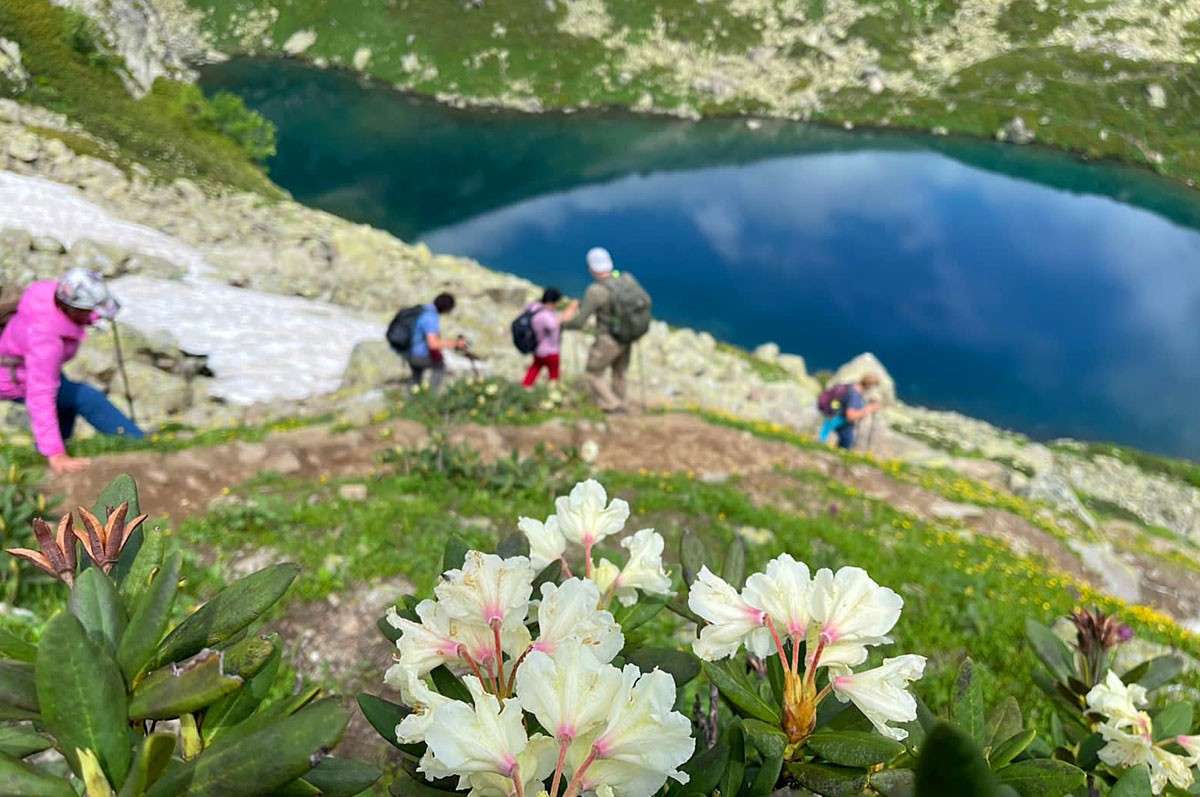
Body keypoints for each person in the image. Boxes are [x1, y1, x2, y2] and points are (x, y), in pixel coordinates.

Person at [0, 269, 143, 474]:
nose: (91, 314)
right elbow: (40, 395)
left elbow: (77, 313)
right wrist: (54, 452)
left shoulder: (51, 299)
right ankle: (136, 442)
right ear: (72, 308)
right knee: (85, 397)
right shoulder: (45, 342)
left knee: (65, 404)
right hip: (13, 378)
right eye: (88, 310)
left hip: (20, 365)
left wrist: (92, 315)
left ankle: (42, 456)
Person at [562, 247, 649, 414]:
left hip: (608, 338)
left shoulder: (595, 291)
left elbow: (580, 322)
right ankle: (622, 402)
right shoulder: (626, 278)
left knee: (593, 373)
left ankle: (613, 405)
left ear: (591, 268)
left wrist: (562, 325)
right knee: (620, 372)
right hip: (628, 335)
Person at [407, 292, 467, 392]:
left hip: (409, 352)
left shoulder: (423, 310)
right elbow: (433, 344)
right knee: (439, 366)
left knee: (416, 376)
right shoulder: (431, 318)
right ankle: (431, 397)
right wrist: (456, 344)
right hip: (418, 355)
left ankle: (412, 399)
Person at [521, 287, 578, 387]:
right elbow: (555, 324)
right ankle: (552, 391)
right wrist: (571, 309)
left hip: (537, 347)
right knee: (554, 374)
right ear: (553, 302)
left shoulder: (535, 307)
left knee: (535, 367)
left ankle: (526, 385)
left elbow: (527, 307)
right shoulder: (545, 316)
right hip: (550, 351)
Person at [819, 373, 882, 450]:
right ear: (869, 387)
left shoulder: (851, 386)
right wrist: (869, 409)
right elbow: (850, 416)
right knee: (823, 440)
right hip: (838, 419)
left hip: (833, 415)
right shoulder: (854, 395)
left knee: (845, 440)